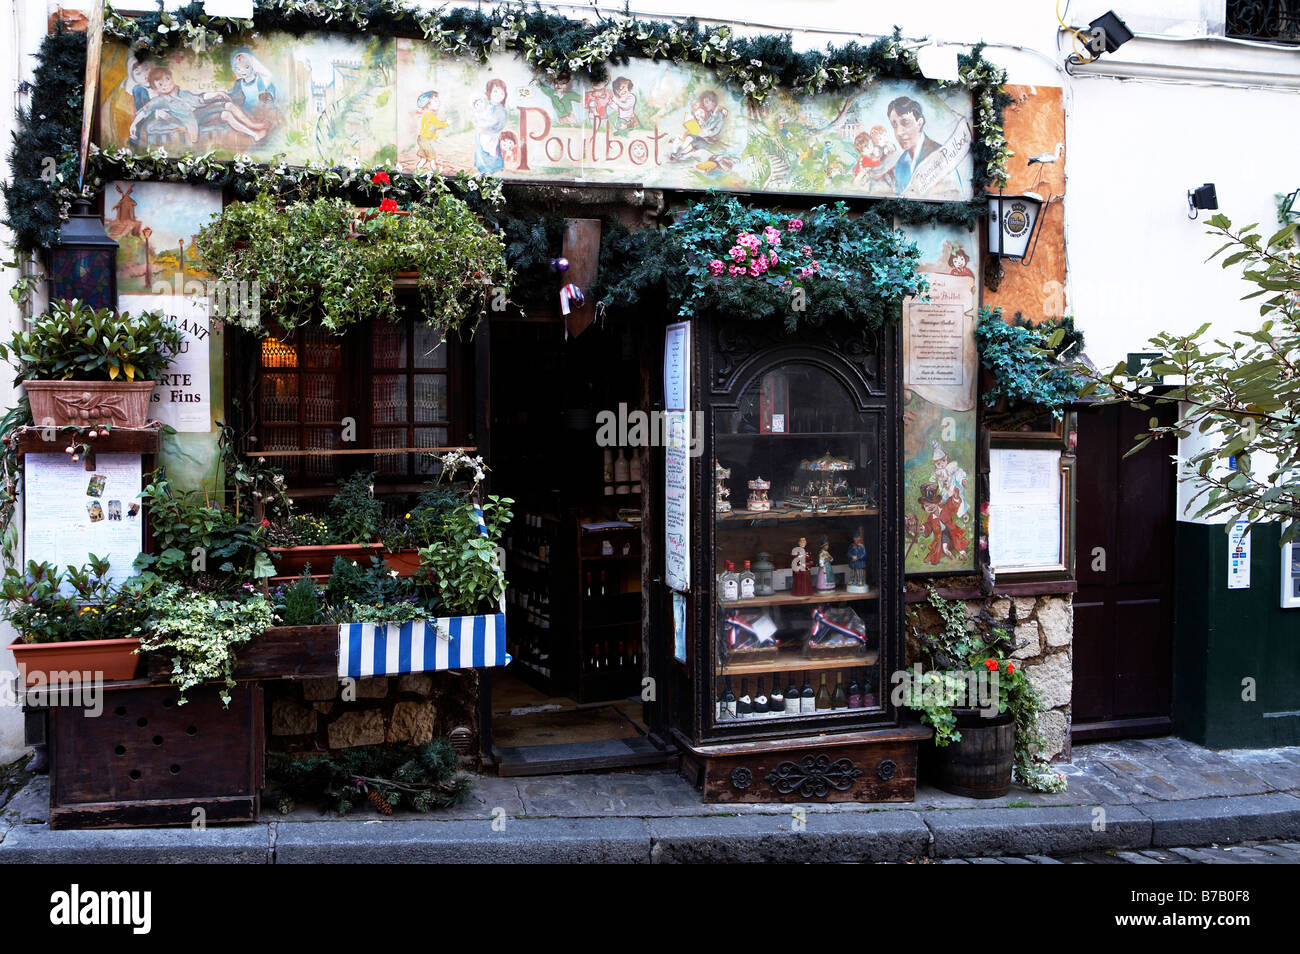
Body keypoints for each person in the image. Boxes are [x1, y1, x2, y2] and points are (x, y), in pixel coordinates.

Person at [885, 95, 941, 195]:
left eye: (905, 123)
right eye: (894, 125)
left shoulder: (939, 154)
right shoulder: (901, 162)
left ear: (919, 123)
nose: (899, 132)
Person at [472, 78, 509, 175]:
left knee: (491, 151)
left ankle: (491, 167)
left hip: (491, 134)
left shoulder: (500, 109)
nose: (498, 95)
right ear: (489, 93)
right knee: (481, 150)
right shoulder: (487, 105)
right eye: (495, 91)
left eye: (502, 93)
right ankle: (482, 166)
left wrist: (487, 129)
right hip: (482, 132)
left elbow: (499, 123)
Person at [414, 89, 449, 172]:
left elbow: (429, 130)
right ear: (428, 104)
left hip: (422, 139)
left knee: (424, 158)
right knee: (432, 156)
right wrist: (447, 123)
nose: (438, 102)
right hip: (424, 140)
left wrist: (436, 138)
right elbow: (438, 125)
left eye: (438, 100)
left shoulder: (428, 115)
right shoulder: (429, 115)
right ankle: (435, 171)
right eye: (435, 101)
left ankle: (418, 169)